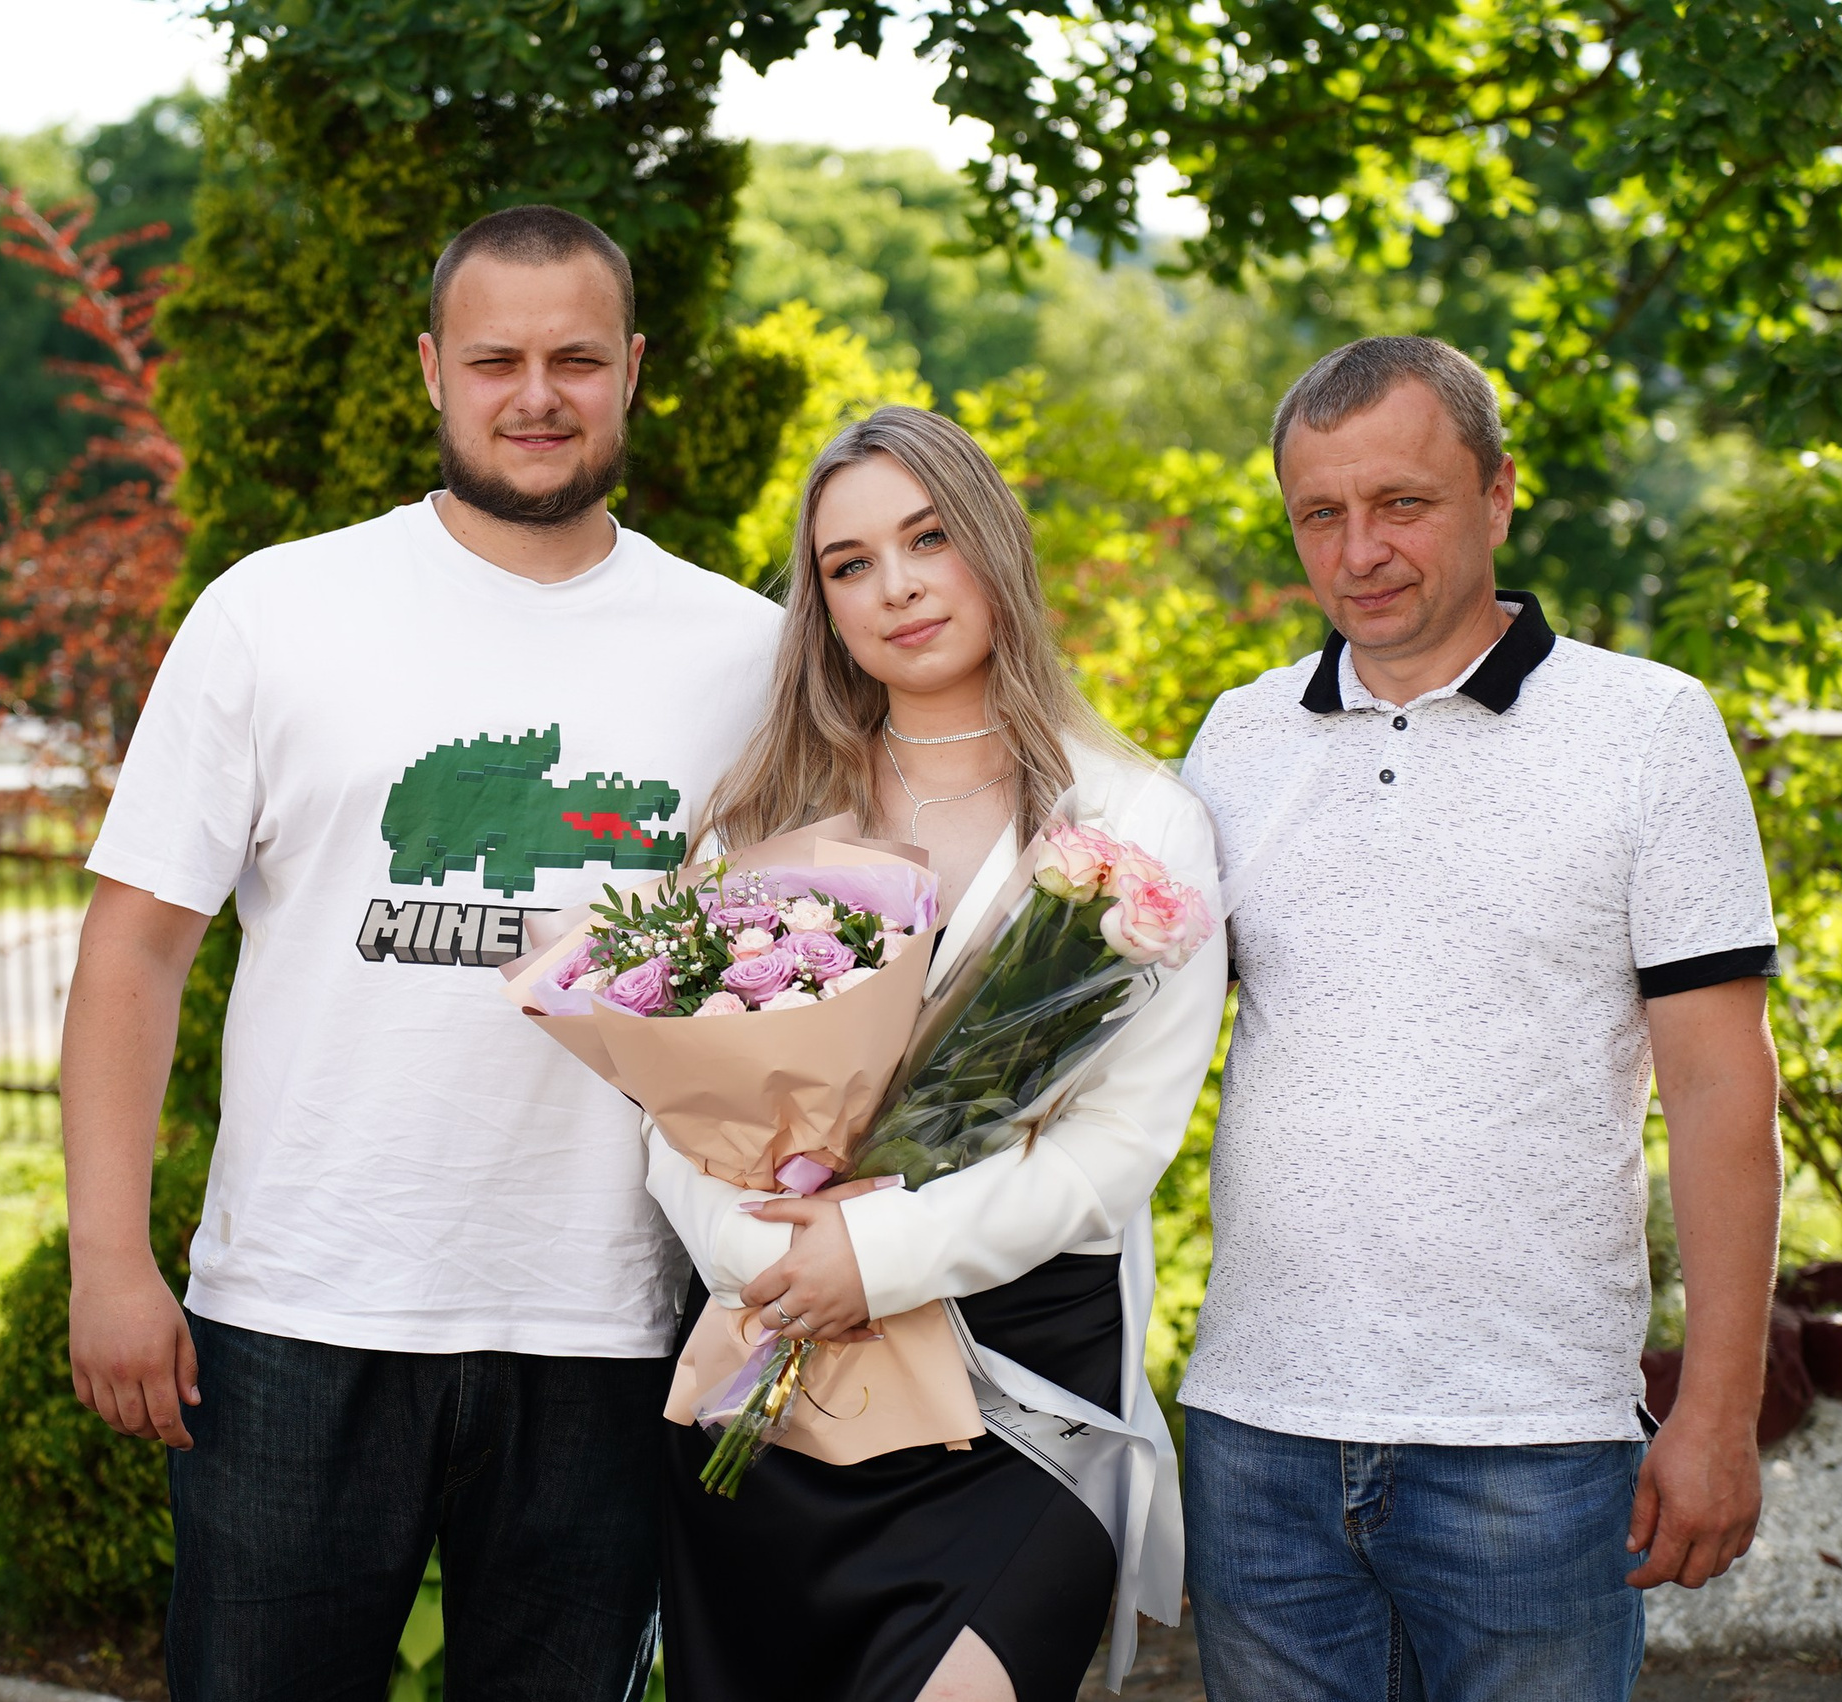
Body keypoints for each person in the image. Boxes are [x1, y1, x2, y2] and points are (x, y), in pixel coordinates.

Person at [58, 205, 782, 1702]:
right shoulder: (275, 613)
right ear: (431, 372)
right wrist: (110, 1259)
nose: (539, 393)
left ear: (634, 370)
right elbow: (133, 948)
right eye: (497, 357)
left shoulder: (746, 654)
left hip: (605, 1321)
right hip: (299, 1316)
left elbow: (796, 984)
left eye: (577, 357)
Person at [1177, 335, 1784, 1701]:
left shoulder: (1647, 729)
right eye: (1320, 515)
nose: (1359, 550)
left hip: (1532, 1444)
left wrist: (1717, 1411)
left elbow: (1721, 1090)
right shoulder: (1237, 739)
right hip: (1259, 1430)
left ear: (1499, 495)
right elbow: (1126, 1043)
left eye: (1402, 503)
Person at [647, 406, 1230, 1702]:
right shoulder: (757, 824)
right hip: (774, 1405)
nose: (897, 584)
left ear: (993, 548)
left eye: (928, 538)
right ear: (825, 607)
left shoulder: (1136, 825)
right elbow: (668, 1114)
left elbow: (1115, 1152)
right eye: (851, 563)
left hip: (1021, 1410)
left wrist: (878, 1254)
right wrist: (770, 1259)